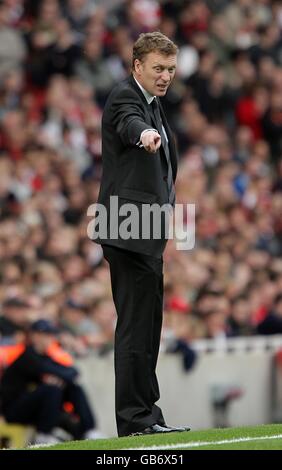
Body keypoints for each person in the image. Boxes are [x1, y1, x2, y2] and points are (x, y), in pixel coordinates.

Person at [94, 31, 190, 437]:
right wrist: (144, 135)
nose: (165, 76)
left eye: (170, 69)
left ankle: (148, 415)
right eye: (158, 68)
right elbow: (128, 123)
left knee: (149, 327)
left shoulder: (154, 105)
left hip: (145, 233)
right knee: (136, 327)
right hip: (126, 231)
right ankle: (134, 420)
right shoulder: (126, 98)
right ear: (137, 67)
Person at [0, 319, 102, 444]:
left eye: (51, 335)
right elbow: (61, 372)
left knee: (73, 388)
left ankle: (89, 430)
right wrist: (59, 376)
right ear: (34, 336)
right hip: (12, 411)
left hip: (36, 409)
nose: (50, 339)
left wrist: (60, 377)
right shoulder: (28, 356)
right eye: (46, 335)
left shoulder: (45, 356)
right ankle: (44, 434)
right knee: (52, 389)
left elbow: (73, 372)